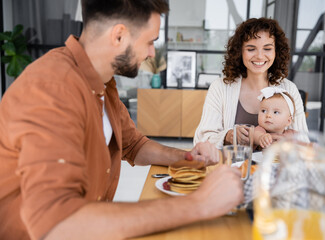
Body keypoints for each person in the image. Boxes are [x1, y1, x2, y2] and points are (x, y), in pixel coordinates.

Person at [0, 1, 244, 239]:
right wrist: (200, 204)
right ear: (119, 36)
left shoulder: (102, 81)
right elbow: (58, 226)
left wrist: (188, 158)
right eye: (150, 42)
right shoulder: (53, 89)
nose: (151, 53)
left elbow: (133, 145)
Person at [194, 18, 308, 149]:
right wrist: (227, 136)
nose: (260, 56)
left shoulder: (289, 89)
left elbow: (304, 142)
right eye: (251, 49)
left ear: (276, 52)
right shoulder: (220, 88)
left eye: (267, 48)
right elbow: (200, 141)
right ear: (240, 52)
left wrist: (287, 141)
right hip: (231, 167)